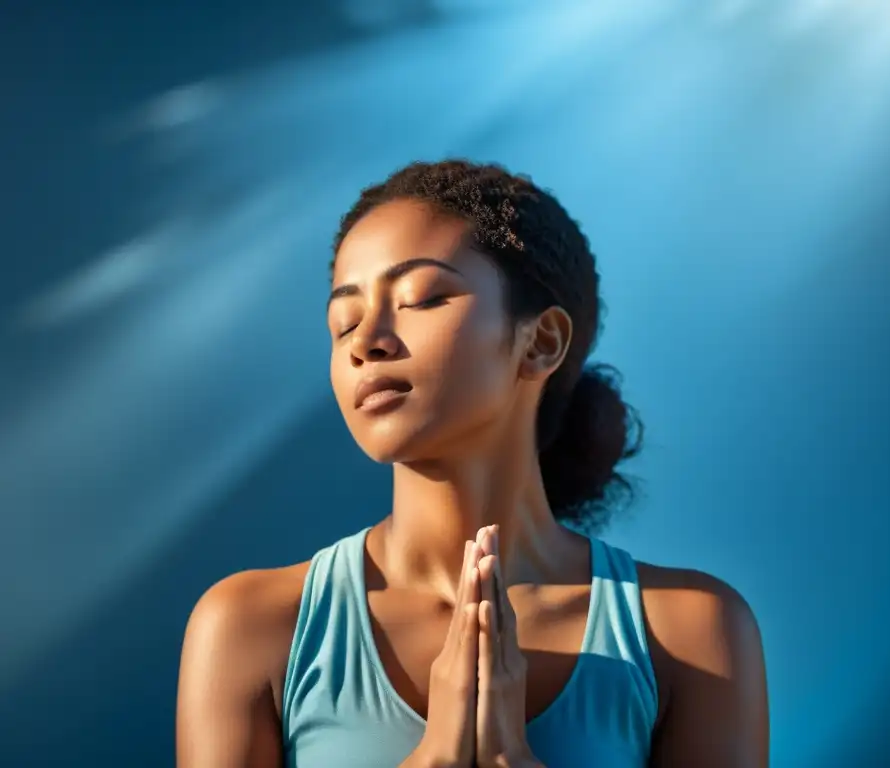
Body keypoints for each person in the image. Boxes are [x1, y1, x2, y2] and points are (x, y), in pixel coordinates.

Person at [176, 160, 769, 767]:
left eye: (422, 299)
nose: (366, 341)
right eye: (343, 321)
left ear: (540, 343)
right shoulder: (252, 627)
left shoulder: (688, 633)